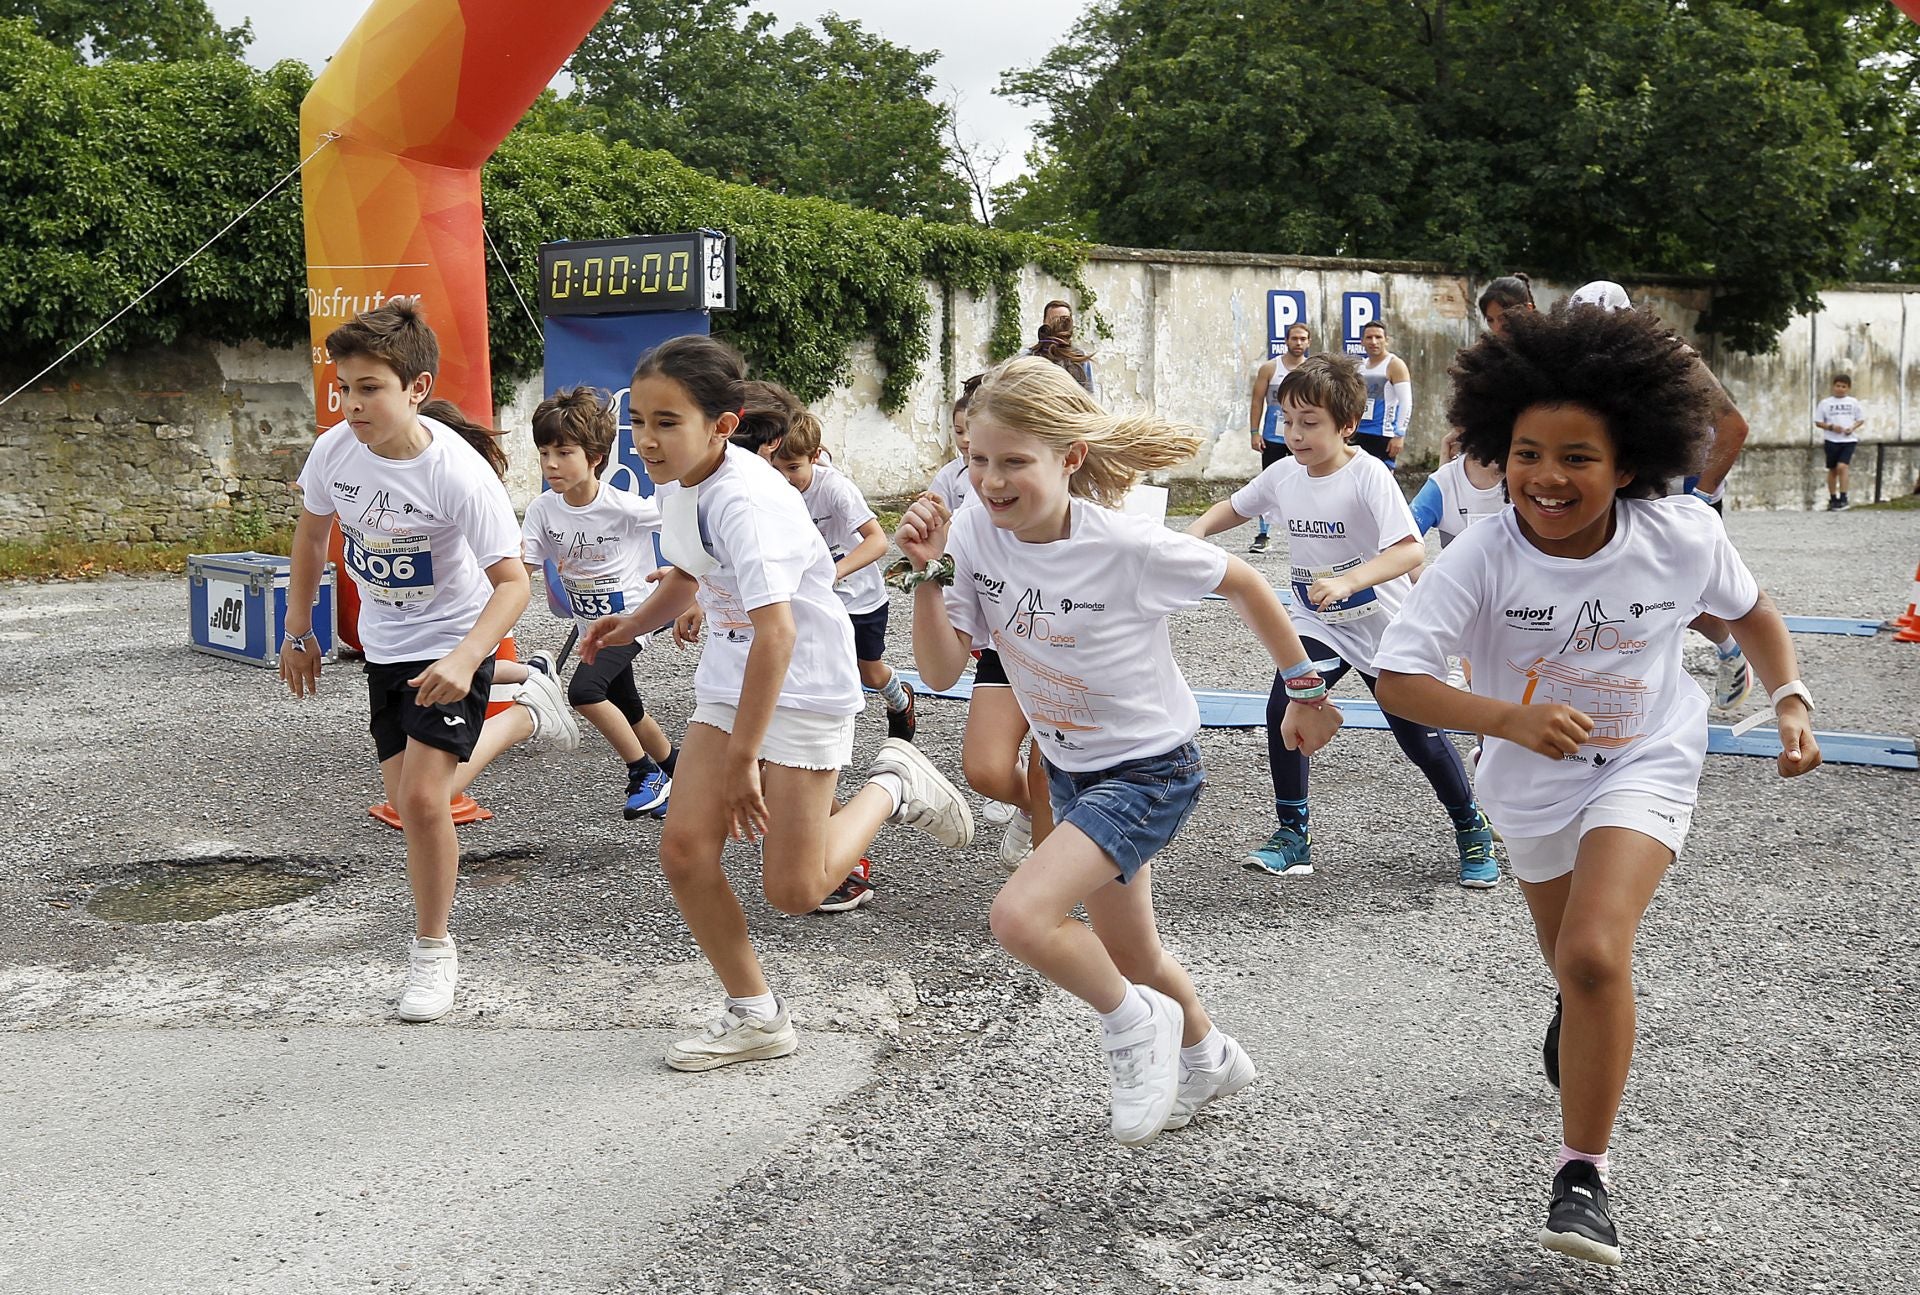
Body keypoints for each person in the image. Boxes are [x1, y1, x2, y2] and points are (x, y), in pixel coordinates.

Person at [1374, 301, 1821, 1268]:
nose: (1547, 477)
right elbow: (1400, 679)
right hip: (1530, 779)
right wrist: (1507, 719)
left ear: (1627, 464)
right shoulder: (1481, 555)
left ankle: (1583, 1175)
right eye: (1528, 453)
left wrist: (1788, 695)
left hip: (1648, 754)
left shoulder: (1681, 535)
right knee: (1572, 968)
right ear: (1500, 452)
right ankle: (1580, 1015)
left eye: (1578, 457)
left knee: (1591, 952)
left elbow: (1752, 611)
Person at [896, 355, 1344, 1145]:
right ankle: (1209, 1055)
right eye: (977, 460)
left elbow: (1244, 580)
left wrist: (1305, 693)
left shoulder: (1125, 547)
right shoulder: (972, 531)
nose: (991, 481)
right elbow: (937, 670)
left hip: (1149, 769)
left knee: (1020, 915)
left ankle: (1135, 1027)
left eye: (1014, 463)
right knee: (1132, 949)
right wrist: (925, 575)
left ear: (1068, 458)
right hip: (1071, 766)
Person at [580, 335, 974, 1072]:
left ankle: (895, 784)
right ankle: (756, 1014)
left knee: (795, 889)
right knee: (685, 848)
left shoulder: (745, 500)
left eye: (667, 422)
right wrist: (633, 621)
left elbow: (780, 632)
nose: (646, 439)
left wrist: (742, 762)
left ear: (722, 426)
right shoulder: (680, 480)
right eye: (639, 420)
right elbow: (691, 573)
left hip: (803, 677)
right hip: (737, 667)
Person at [279, 301, 530, 1024]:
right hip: (386, 651)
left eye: (371, 388)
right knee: (407, 803)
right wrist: (301, 629)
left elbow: (513, 585)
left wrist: (466, 656)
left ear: (416, 388)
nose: (353, 404)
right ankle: (525, 712)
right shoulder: (333, 451)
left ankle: (433, 953)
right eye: (345, 388)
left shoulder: (458, 473)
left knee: (424, 800)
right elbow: (311, 536)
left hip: (453, 643)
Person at [1186, 354, 1499, 888]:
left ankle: (1473, 828)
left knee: (1417, 737)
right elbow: (1232, 508)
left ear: (1347, 426)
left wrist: (1351, 581)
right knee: (1285, 705)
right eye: (1288, 421)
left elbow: (1408, 553)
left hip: (1385, 627)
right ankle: (1293, 835)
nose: (1296, 435)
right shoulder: (1284, 474)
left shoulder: (1369, 475)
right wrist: (1188, 539)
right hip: (1320, 624)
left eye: (1310, 423)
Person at [1567, 282, 1756, 712]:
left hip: (1683, 493)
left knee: (1679, 595)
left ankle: (1729, 651)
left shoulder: (1672, 356)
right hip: (1634, 486)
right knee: (1619, 588)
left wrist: (1701, 498)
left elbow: (1734, 427)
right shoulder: (1583, 360)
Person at [766, 403, 917, 913]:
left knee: (868, 674)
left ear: (815, 458)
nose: (787, 478)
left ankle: (900, 697)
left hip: (859, 602)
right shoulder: (767, 495)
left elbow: (878, 540)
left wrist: (836, 572)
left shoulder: (833, 489)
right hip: (813, 612)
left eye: (795, 468)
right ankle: (837, 852)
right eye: (777, 468)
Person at [514, 388, 675, 818]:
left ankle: (644, 774)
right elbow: (517, 574)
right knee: (627, 706)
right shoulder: (543, 511)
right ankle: (677, 773)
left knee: (585, 691)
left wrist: (691, 587)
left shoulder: (625, 508)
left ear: (596, 456)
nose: (551, 464)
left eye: (564, 452)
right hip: (590, 627)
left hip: (633, 620)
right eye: (544, 452)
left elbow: (692, 536)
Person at [1247, 322, 1312, 553]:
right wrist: (1254, 432)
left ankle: (1307, 535)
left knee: (1307, 483)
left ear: (1309, 342)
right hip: (1273, 437)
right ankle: (1263, 535)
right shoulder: (1270, 368)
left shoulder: (1312, 369)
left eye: (1303, 339)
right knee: (1268, 485)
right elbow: (1256, 401)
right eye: (1294, 338)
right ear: (1286, 341)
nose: (1298, 343)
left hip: (1302, 437)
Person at [1353, 321, 1411, 468]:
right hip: (1359, 433)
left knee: (1383, 481)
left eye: (1378, 337)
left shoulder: (1394, 364)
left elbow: (1406, 402)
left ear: (1386, 340)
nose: (1374, 342)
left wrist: (1399, 435)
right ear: (1362, 341)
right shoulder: (1360, 367)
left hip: (1382, 435)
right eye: (1369, 337)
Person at [1814, 374, 1866, 511]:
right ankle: (1833, 498)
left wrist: (1852, 428)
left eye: (1844, 386)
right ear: (1833, 386)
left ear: (1848, 388)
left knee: (1842, 467)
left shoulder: (1853, 402)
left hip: (1848, 440)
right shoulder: (1825, 403)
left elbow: (1860, 419)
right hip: (1831, 440)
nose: (1840, 389)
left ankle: (1844, 497)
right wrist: (1831, 427)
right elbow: (1818, 422)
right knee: (1833, 469)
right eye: (1838, 386)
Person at [1028, 298, 1095, 394]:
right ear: (1044, 322)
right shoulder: (1029, 356)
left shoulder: (1080, 358)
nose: (1058, 323)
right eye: (1053, 319)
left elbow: (1089, 395)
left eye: (1063, 319)